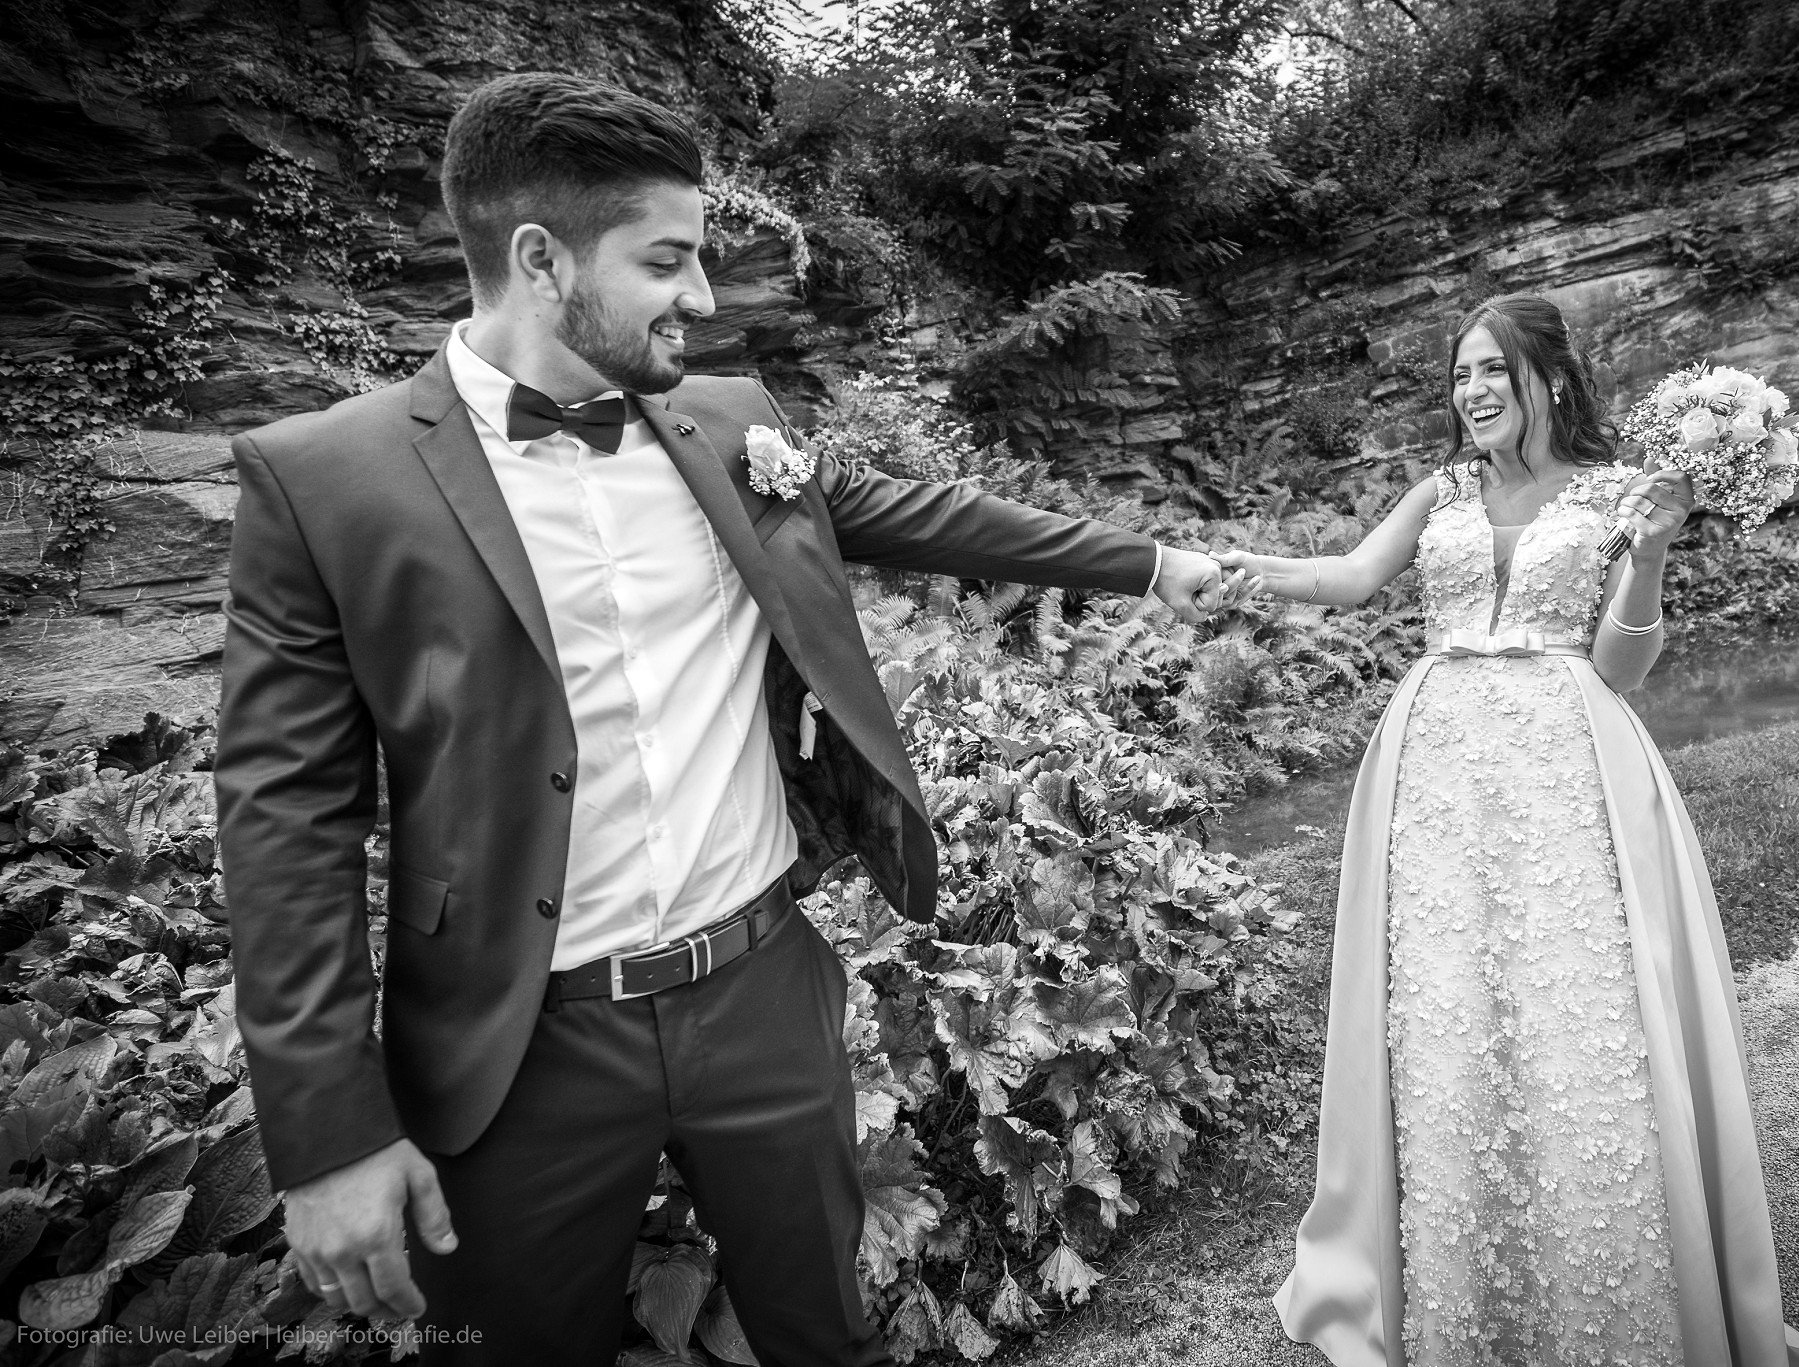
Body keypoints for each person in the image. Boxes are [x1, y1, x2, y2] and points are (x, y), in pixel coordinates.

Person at [214, 71, 1226, 1367]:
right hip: (512, 1047)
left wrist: (1152, 563)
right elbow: (285, 820)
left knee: (823, 1335)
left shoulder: (734, 422)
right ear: (540, 260)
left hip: (763, 990)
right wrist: (326, 1131)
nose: (701, 295)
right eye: (666, 261)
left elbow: (925, 514)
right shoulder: (322, 480)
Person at [1215, 294, 1799, 1366]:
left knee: (1576, 1005)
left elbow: (1620, 667)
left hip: (1567, 767)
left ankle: (1605, 1281)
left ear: (1547, 378)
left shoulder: (1616, 493)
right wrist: (1234, 567)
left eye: (1491, 371)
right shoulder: (1442, 490)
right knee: (1445, 1006)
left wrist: (1650, 551)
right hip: (1436, 769)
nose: (1471, 392)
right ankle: (1464, 1279)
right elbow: (1348, 578)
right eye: (1459, 373)